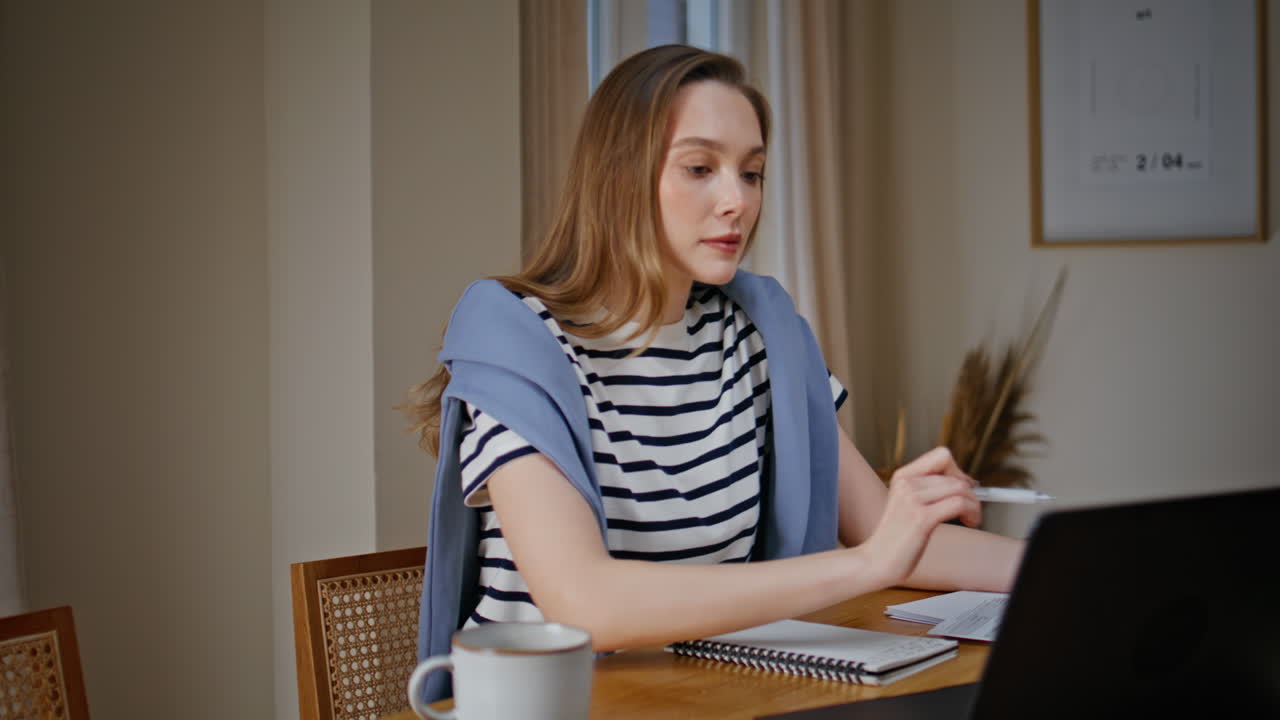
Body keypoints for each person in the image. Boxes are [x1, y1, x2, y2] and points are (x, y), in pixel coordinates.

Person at [404, 44, 1023, 701]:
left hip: (703, 697)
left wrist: (1088, 568)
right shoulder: (519, 343)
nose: (736, 201)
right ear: (620, 177)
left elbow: (885, 532)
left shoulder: (756, 334)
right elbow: (585, 600)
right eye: (700, 167)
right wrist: (865, 567)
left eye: (751, 173)